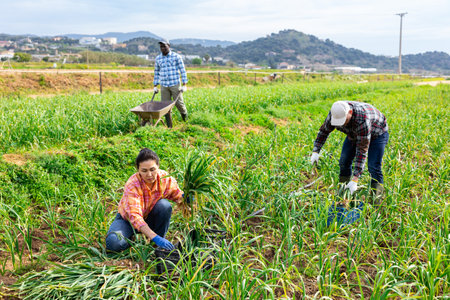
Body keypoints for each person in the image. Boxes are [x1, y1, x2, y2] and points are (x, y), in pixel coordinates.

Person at [106, 148, 186, 252]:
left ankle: (156, 245)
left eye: (152, 169)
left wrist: (186, 197)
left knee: (164, 206)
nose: (149, 174)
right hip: (128, 221)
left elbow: (177, 194)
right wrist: (155, 237)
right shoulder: (132, 184)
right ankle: (136, 238)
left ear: (158, 166)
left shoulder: (164, 178)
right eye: (144, 171)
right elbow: (135, 216)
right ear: (138, 170)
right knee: (114, 243)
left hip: (150, 218)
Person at [310, 101, 389, 197]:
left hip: (377, 134)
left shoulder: (362, 119)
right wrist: (316, 151)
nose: (341, 124)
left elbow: (362, 150)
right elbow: (323, 131)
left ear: (350, 112)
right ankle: (343, 194)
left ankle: (376, 201)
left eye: (343, 120)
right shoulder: (336, 113)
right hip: (354, 134)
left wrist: (355, 179)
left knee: (373, 167)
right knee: (344, 161)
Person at [153, 39, 189, 122]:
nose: (163, 48)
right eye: (161, 46)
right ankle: (169, 126)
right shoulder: (158, 58)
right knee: (165, 106)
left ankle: (185, 121)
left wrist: (184, 84)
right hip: (164, 85)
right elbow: (156, 72)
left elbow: (182, 70)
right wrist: (155, 85)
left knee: (179, 103)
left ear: (168, 46)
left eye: (164, 46)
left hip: (175, 83)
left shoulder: (176, 57)